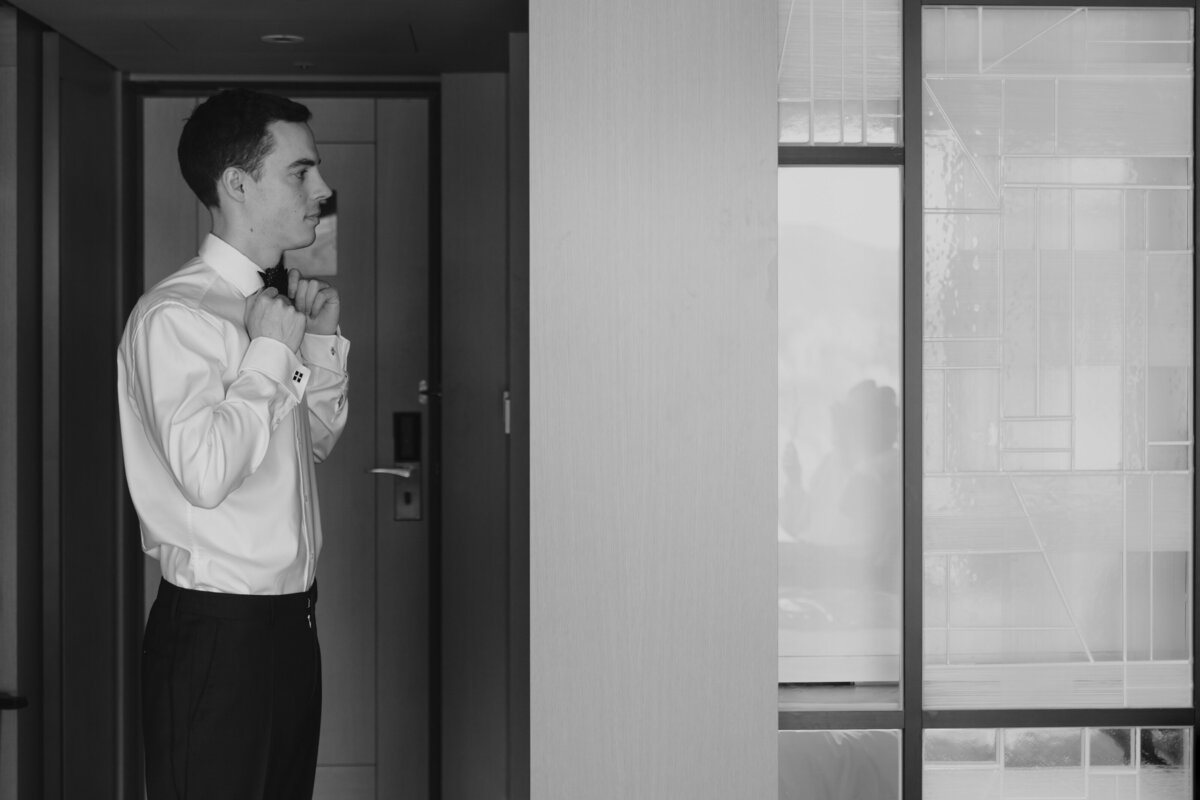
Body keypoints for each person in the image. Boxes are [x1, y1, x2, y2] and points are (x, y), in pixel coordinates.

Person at [116, 88, 349, 799]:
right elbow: (207, 473)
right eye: (300, 172)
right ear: (238, 184)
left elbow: (308, 447)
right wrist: (271, 355)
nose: (323, 189)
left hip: (291, 624)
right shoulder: (174, 316)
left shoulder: (273, 311)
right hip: (218, 637)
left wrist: (316, 347)